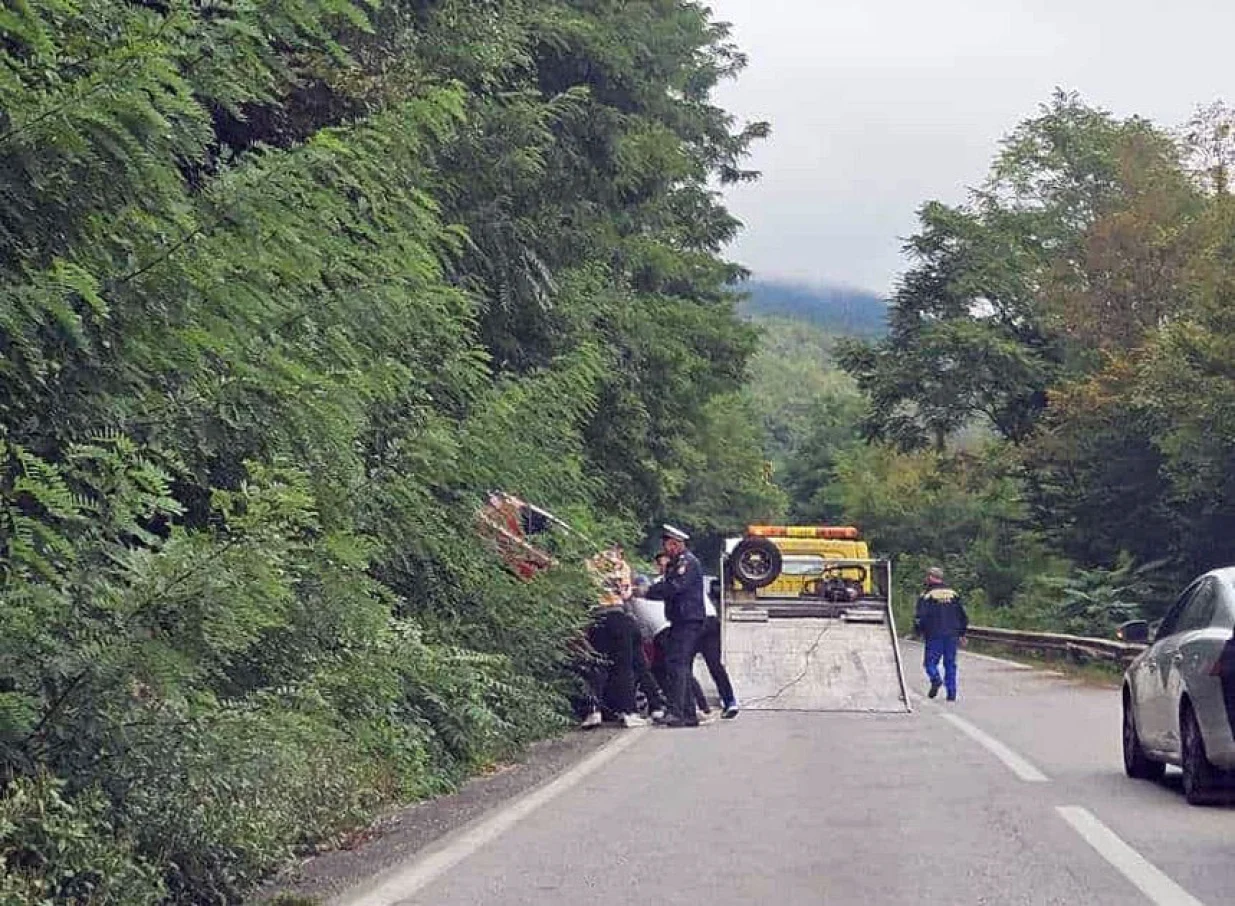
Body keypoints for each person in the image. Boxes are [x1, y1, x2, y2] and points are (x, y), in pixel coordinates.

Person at [646, 524, 707, 728]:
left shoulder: (686, 563)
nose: (666, 550)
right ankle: (688, 713)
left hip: (688, 620)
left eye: (669, 545)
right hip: (681, 619)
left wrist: (647, 591)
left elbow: (674, 587)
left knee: (677, 665)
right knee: (681, 666)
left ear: (677, 544)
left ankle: (677, 712)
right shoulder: (678, 563)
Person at [629, 572, 708, 716]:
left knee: (677, 669)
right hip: (667, 629)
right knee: (665, 669)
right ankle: (686, 705)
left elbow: (641, 627)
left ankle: (694, 707)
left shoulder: (633, 600)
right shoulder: (652, 596)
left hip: (661, 633)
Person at [913, 566, 969, 701]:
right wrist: (962, 633)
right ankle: (952, 693)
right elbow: (962, 616)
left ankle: (935, 678)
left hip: (934, 635)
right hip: (952, 635)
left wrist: (918, 631)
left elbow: (921, 617)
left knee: (930, 663)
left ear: (931, 577)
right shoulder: (953, 594)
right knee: (950, 664)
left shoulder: (926, 595)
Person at [699, 581, 740, 719]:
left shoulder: (671, 580)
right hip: (710, 620)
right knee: (715, 664)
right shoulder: (691, 574)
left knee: (682, 664)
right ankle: (730, 701)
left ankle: (698, 705)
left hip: (695, 623)